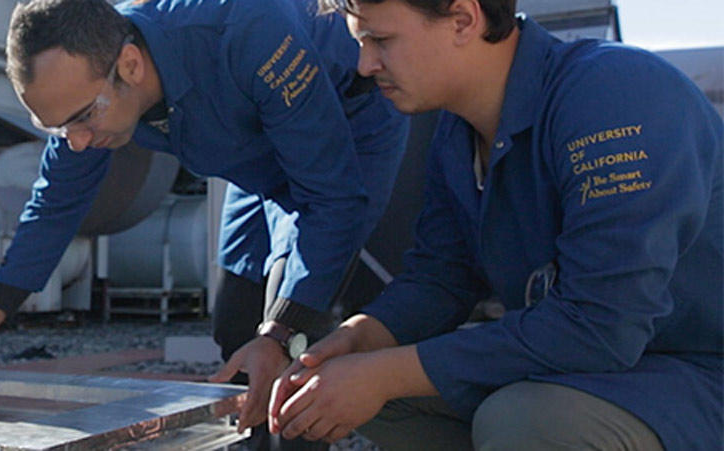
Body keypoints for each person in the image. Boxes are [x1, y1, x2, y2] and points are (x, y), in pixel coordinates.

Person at [0, 0, 409, 443]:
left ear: (130, 65)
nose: (78, 141)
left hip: (339, 131)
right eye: (58, 127)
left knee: (299, 333)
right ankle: (251, 434)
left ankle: (298, 431)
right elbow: (54, 204)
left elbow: (330, 195)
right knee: (236, 322)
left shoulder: (249, 29)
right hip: (250, 161)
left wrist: (280, 332)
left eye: (83, 119)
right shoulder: (89, 88)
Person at [267, 0, 723, 449]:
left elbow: (602, 324)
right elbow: (440, 278)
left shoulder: (615, 92)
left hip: (696, 372)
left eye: (381, 40)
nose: (365, 64)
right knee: (358, 392)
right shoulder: (458, 131)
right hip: (610, 371)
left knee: (525, 420)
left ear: (463, 19)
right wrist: (357, 341)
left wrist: (385, 371)